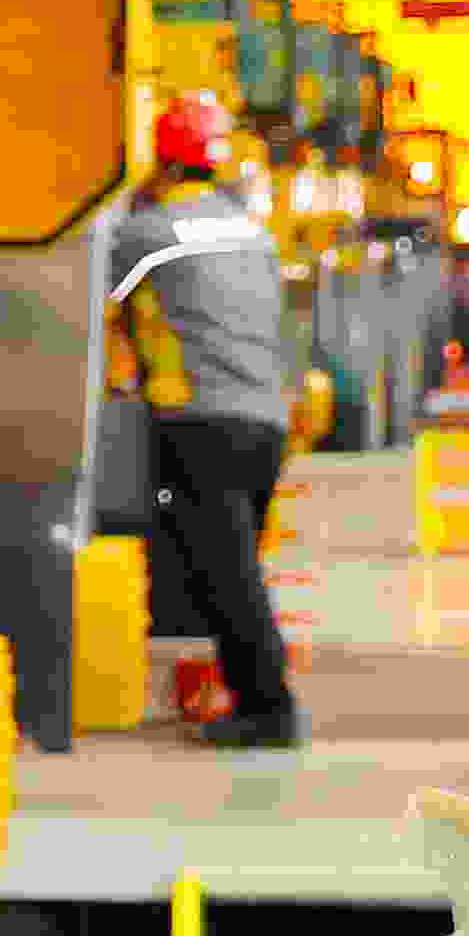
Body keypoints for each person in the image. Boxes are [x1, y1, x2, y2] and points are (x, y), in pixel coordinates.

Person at [112, 89, 304, 748]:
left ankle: (269, 709)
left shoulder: (148, 233)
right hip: (265, 420)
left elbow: (93, 298)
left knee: (226, 573)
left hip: (200, 419)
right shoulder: (253, 232)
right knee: (226, 565)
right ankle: (240, 693)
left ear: (162, 160)